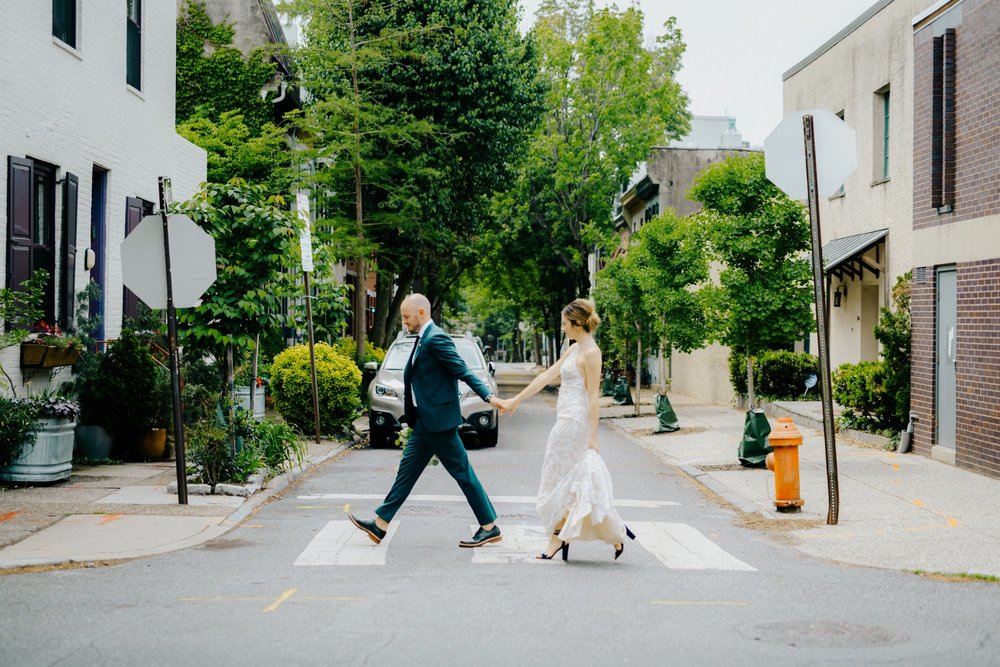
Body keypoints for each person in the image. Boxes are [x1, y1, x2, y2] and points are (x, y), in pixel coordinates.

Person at [349, 294, 506, 548]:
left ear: (422, 313)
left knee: (463, 474)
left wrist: (488, 396)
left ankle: (489, 526)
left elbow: (462, 370)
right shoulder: (422, 339)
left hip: (439, 423)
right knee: (406, 474)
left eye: (407, 316)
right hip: (425, 423)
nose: (404, 322)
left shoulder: (436, 338)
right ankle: (380, 524)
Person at [499, 298, 634, 561]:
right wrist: (516, 400)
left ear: (578, 323)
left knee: (567, 481)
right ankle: (613, 532)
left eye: (564, 323)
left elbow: (593, 396)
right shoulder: (573, 351)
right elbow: (546, 377)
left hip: (577, 424)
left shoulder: (592, 353)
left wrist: (594, 436)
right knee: (564, 480)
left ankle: (556, 539)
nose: (562, 328)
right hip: (563, 421)